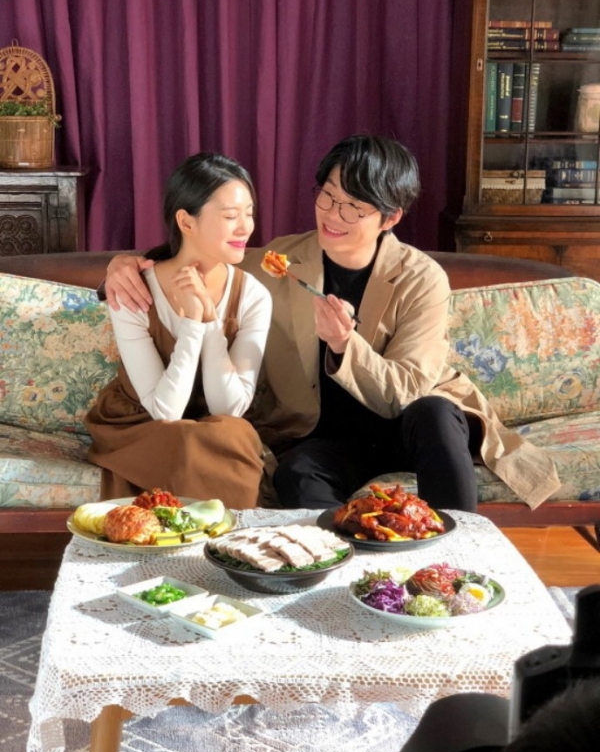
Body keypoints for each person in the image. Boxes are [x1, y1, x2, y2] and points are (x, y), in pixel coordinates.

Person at [104, 134, 561, 512]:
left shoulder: (421, 278)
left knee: (437, 413)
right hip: (323, 436)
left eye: (353, 207)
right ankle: (341, 569)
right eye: (328, 196)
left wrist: (346, 345)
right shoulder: (280, 262)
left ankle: (456, 555)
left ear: (390, 217)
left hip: (406, 425)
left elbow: (406, 391)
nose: (332, 215)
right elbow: (209, 252)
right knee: (297, 474)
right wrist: (124, 266)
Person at [85, 152, 272, 509]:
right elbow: (166, 412)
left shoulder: (254, 295)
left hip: (214, 425)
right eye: (230, 216)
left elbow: (229, 408)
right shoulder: (133, 290)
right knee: (189, 439)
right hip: (142, 425)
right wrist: (191, 326)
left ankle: (223, 537)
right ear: (186, 222)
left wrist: (210, 322)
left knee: (233, 433)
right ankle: (213, 533)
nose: (245, 227)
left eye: (249, 213)